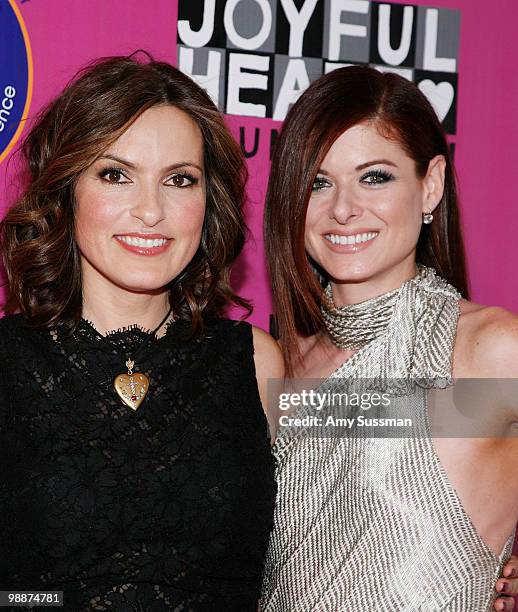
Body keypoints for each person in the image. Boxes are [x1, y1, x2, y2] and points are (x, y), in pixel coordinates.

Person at [0, 55, 283, 610]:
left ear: (208, 202)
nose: (151, 210)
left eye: (179, 180)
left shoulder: (258, 363)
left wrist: (486, 554)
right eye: (115, 175)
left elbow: (355, 500)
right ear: (67, 190)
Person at [261, 65, 518, 611]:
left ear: (431, 185)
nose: (344, 208)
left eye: (374, 176)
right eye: (319, 182)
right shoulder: (275, 363)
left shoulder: (489, 348)